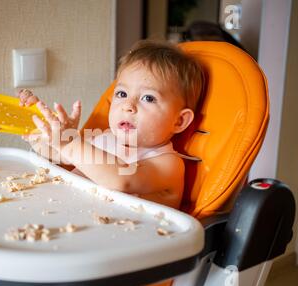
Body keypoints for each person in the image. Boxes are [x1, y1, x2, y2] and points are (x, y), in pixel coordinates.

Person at [19, 40, 204, 209]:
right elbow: (59, 156)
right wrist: (41, 131)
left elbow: (122, 179)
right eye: (122, 94)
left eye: (148, 98)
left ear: (179, 121)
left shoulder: (168, 164)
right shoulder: (103, 139)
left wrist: (70, 143)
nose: (128, 106)